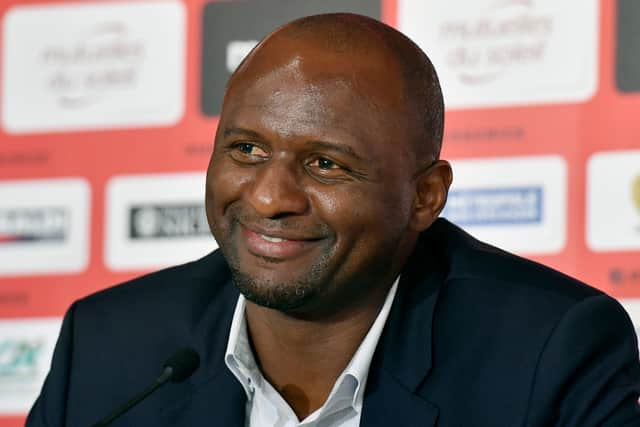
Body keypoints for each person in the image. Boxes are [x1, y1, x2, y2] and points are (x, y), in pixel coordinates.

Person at [27, 13, 640, 427]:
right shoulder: (110, 347)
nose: (269, 198)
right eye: (246, 151)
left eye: (324, 164)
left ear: (426, 196)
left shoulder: (551, 352)